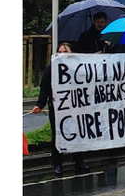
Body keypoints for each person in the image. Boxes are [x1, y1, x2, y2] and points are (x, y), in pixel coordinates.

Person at [32, 42, 90, 175]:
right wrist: (40, 104)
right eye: (60, 51)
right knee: (57, 135)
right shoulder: (51, 68)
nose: (62, 54)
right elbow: (44, 87)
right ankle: (57, 163)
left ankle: (78, 160)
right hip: (57, 108)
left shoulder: (78, 68)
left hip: (75, 107)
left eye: (65, 51)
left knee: (77, 132)